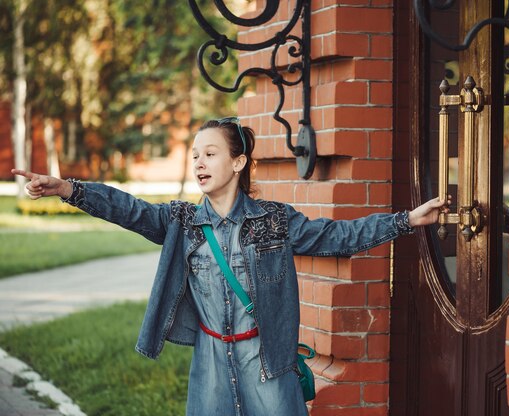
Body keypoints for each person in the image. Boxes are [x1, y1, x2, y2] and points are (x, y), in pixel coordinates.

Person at [12, 117, 449, 416]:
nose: (199, 162)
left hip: (267, 360)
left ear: (238, 162)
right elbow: (129, 209)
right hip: (211, 361)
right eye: (196, 155)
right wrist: (68, 188)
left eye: (211, 154)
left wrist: (406, 220)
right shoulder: (182, 222)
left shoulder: (273, 221)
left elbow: (336, 237)